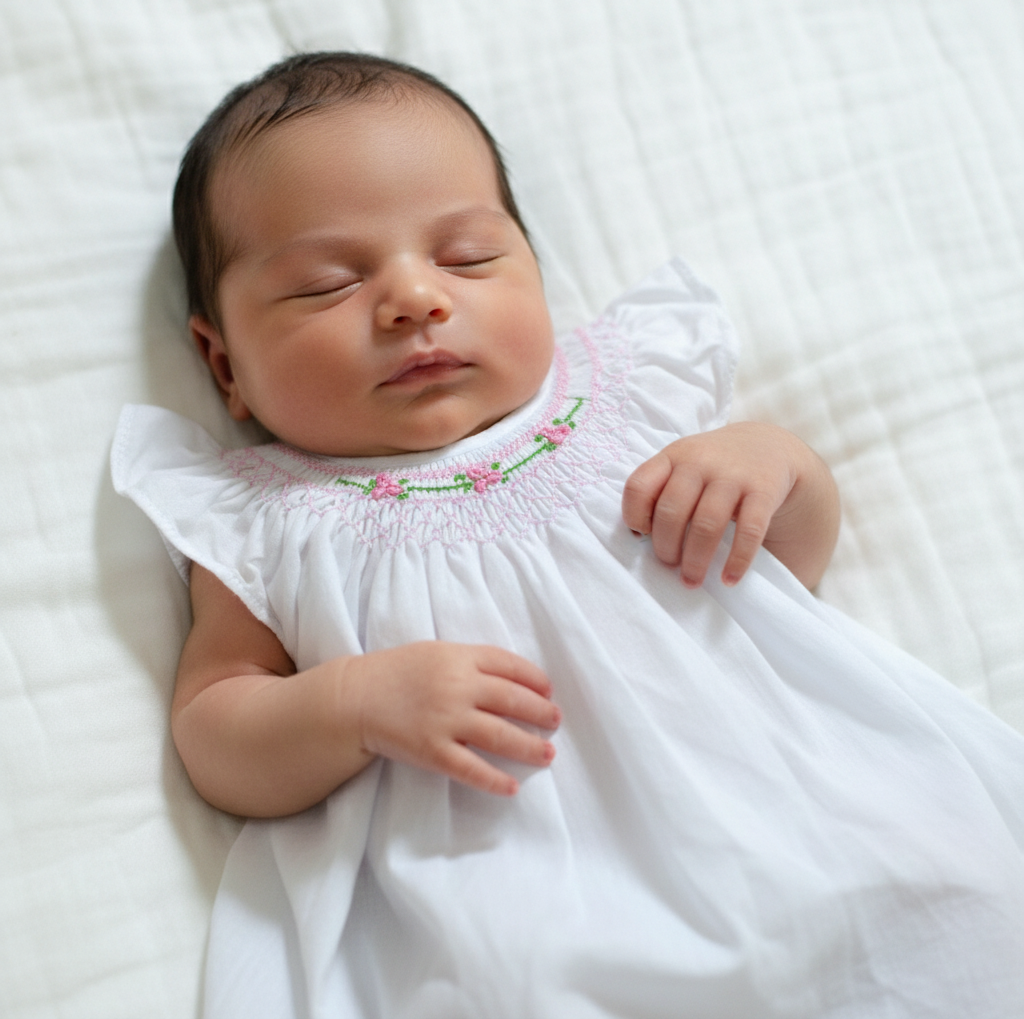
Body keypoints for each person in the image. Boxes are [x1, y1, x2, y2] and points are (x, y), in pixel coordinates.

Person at [113, 52, 1024, 1019]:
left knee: (943, 885)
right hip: (513, 887)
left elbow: (783, 579)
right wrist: (350, 704)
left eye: (467, 257)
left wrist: (776, 468)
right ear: (225, 367)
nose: (415, 299)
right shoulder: (266, 517)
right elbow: (215, 727)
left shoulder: (627, 399)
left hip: (787, 806)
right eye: (327, 284)